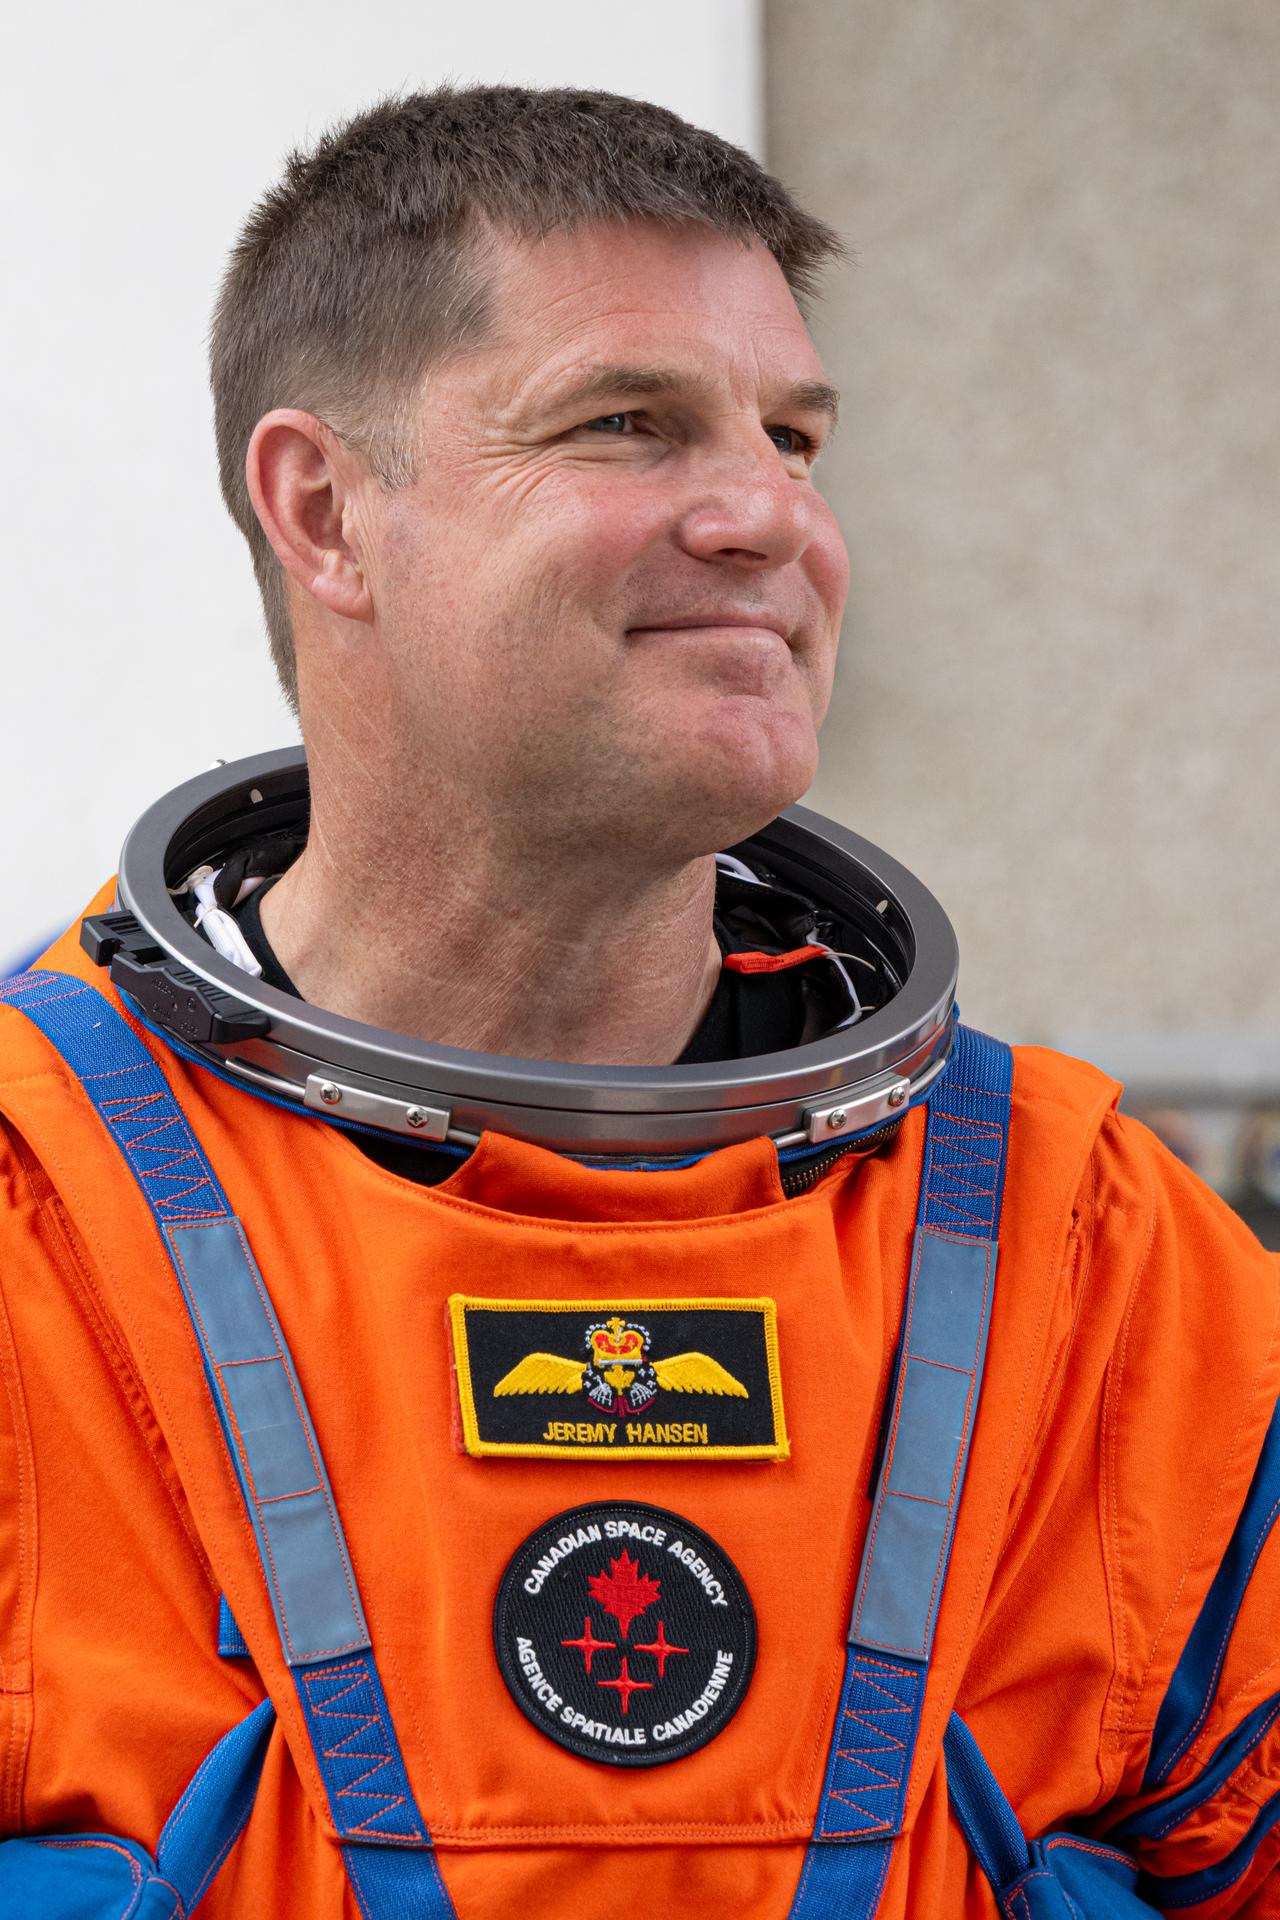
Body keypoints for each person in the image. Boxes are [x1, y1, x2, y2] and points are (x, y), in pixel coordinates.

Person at [0, 84, 1276, 1920]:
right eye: (629, 424)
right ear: (327, 510)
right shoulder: (38, 1222)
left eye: (798, 438)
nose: (771, 518)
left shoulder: (1090, 1262)